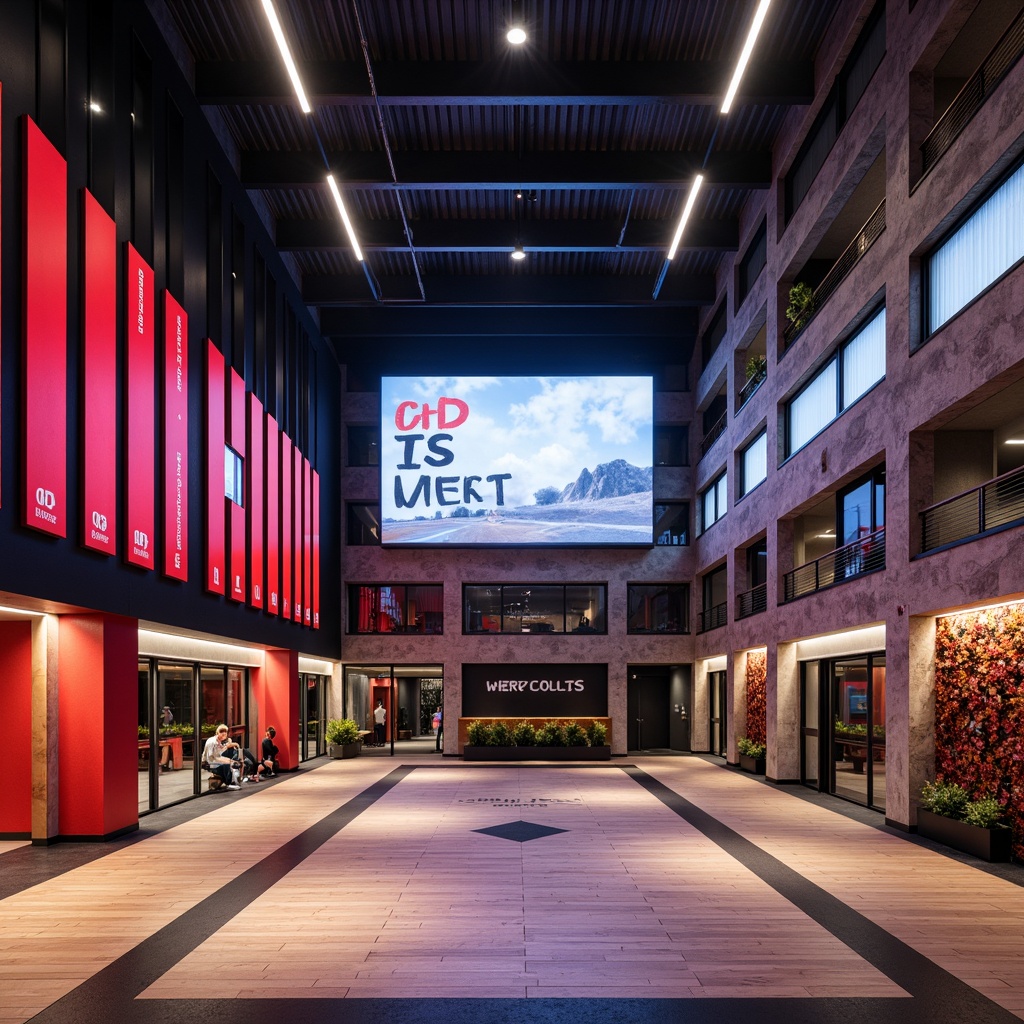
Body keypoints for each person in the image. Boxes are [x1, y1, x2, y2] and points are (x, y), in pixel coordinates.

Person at [202, 724, 241, 790]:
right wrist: (228, 761)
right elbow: (212, 758)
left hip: (214, 760)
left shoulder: (218, 741)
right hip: (209, 763)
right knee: (227, 764)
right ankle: (229, 783)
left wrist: (230, 760)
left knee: (231, 759)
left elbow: (219, 754)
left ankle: (233, 781)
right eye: (221, 732)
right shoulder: (212, 742)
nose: (224, 734)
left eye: (225, 732)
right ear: (217, 733)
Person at [159, 706, 174, 771]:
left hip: (167, 733)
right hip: (161, 734)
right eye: (165, 709)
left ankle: (165, 764)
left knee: (168, 747)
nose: (167, 710)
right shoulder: (161, 715)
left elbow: (170, 720)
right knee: (166, 747)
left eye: (168, 709)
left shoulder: (170, 714)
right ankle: (163, 763)